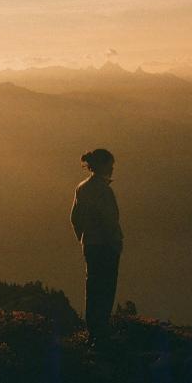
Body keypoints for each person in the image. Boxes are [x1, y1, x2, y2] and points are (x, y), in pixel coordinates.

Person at [70, 148, 123, 348]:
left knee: (92, 287)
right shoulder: (103, 190)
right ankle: (102, 333)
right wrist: (115, 242)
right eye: (110, 164)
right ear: (102, 165)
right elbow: (109, 220)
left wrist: (83, 238)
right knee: (106, 288)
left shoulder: (82, 188)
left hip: (91, 245)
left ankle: (93, 331)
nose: (112, 168)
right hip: (106, 246)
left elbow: (74, 218)